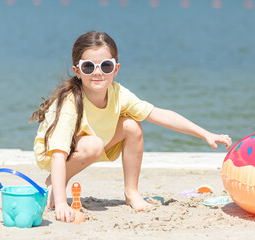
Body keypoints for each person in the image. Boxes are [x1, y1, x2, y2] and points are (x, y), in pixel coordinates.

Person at [30, 31, 232, 223]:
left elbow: (159, 114)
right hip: (57, 152)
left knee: (131, 126)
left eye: (106, 66)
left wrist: (206, 134)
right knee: (93, 145)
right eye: (89, 67)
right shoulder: (70, 103)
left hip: (92, 141)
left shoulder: (118, 94)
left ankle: (131, 192)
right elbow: (58, 153)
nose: (98, 73)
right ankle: (54, 183)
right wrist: (62, 202)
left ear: (116, 69)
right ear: (78, 71)